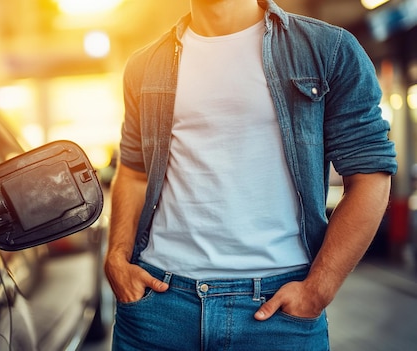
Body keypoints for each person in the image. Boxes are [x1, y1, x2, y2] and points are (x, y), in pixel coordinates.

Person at [104, 0, 398, 350]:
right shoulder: (144, 66)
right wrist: (117, 258)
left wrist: (318, 289)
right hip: (159, 308)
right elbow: (135, 171)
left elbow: (370, 175)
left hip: (275, 315)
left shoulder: (327, 49)